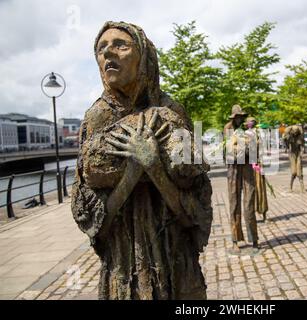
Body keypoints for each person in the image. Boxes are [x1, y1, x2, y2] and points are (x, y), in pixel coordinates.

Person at [71, 21, 213, 300]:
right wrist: (132, 172)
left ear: (144, 57)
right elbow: (99, 219)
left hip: (175, 256)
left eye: (120, 45)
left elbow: (190, 212)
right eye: (101, 49)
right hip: (125, 263)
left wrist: (154, 168)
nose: (108, 53)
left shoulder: (172, 111)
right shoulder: (96, 118)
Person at [224, 105, 259, 253]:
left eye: (241, 117)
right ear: (233, 118)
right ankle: (235, 240)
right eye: (237, 117)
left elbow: (254, 152)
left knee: (249, 203)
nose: (239, 120)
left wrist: (249, 147)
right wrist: (245, 147)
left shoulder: (248, 132)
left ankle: (254, 238)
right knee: (234, 204)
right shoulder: (228, 129)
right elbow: (230, 151)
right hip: (233, 171)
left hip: (247, 171)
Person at [245, 116, 268, 222]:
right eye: (250, 122)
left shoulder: (259, 133)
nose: (251, 123)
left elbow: (262, 148)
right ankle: (251, 215)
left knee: (261, 188)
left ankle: (263, 212)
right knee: (250, 191)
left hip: (258, 164)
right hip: (248, 166)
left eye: (253, 121)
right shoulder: (245, 134)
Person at [282, 125, 306, 193]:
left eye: (296, 132)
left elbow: (302, 146)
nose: (295, 133)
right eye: (294, 132)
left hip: (298, 155)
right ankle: (290, 187)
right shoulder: (289, 137)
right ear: (292, 131)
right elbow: (284, 139)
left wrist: (302, 151)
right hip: (292, 155)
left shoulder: (300, 137)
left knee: (299, 173)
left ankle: (303, 189)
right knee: (293, 172)